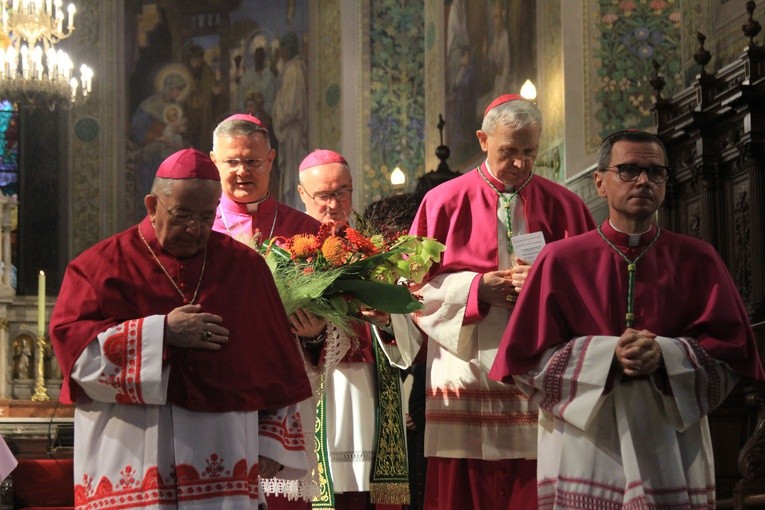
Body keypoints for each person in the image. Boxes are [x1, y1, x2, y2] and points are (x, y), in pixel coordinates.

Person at [489, 129, 765, 509]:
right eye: (629, 170)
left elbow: (732, 353)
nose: (643, 181)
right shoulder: (558, 260)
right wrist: (607, 356)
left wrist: (665, 354)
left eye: (655, 172)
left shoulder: (698, 259)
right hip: (587, 441)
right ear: (599, 182)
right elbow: (524, 362)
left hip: (668, 437)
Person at [49, 148, 312, 509]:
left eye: (207, 216)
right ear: (152, 204)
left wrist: (269, 443)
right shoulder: (99, 267)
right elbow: (77, 358)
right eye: (183, 214)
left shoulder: (245, 268)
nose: (195, 228)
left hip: (224, 458)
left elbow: (277, 366)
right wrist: (162, 333)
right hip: (132, 452)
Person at [393, 94, 595, 510]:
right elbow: (408, 290)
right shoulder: (442, 201)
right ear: (483, 140)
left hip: (538, 367)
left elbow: (592, 290)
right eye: (509, 151)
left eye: (529, 152)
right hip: (463, 368)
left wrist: (543, 282)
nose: (520, 163)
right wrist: (474, 289)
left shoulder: (566, 205)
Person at [210, 113, 324, 510]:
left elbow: (337, 322)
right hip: (214, 388)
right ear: (215, 162)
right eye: (232, 161)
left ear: (271, 159)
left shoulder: (308, 230)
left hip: (285, 392)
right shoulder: (196, 228)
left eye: (252, 161)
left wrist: (317, 335)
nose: (242, 171)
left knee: (282, 500)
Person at [297, 149, 410, 510]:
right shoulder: (289, 254)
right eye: (323, 195)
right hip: (318, 390)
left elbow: (408, 333)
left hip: (370, 391)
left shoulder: (375, 253)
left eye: (341, 192)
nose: (333, 204)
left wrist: (390, 320)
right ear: (302, 195)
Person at [273, 31, 308, 208]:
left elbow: (291, 107)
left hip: (292, 132)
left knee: (294, 176)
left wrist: (278, 115)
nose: (281, 53)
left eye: (283, 48)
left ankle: (297, 207)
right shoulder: (289, 69)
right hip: (288, 134)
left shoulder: (294, 70)